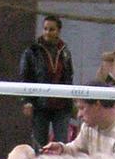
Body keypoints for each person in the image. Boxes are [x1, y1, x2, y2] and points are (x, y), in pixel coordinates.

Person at [18, 14, 74, 148]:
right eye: (45, 29)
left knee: (62, 144)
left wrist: (71, 100)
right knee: (39, 144)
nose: (48, 32)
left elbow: (69, 77)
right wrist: (27, 101)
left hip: (61, 105)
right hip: (40, 104)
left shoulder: (65, 51)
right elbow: (25, 77)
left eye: (51, 29)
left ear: (58, 31)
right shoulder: (32, 51)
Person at [40, 93, 115, 159]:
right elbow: (77, 148)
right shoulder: (89, 125)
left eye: (82, 108)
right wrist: (62, 148)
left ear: (97, 105)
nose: (79, 115)